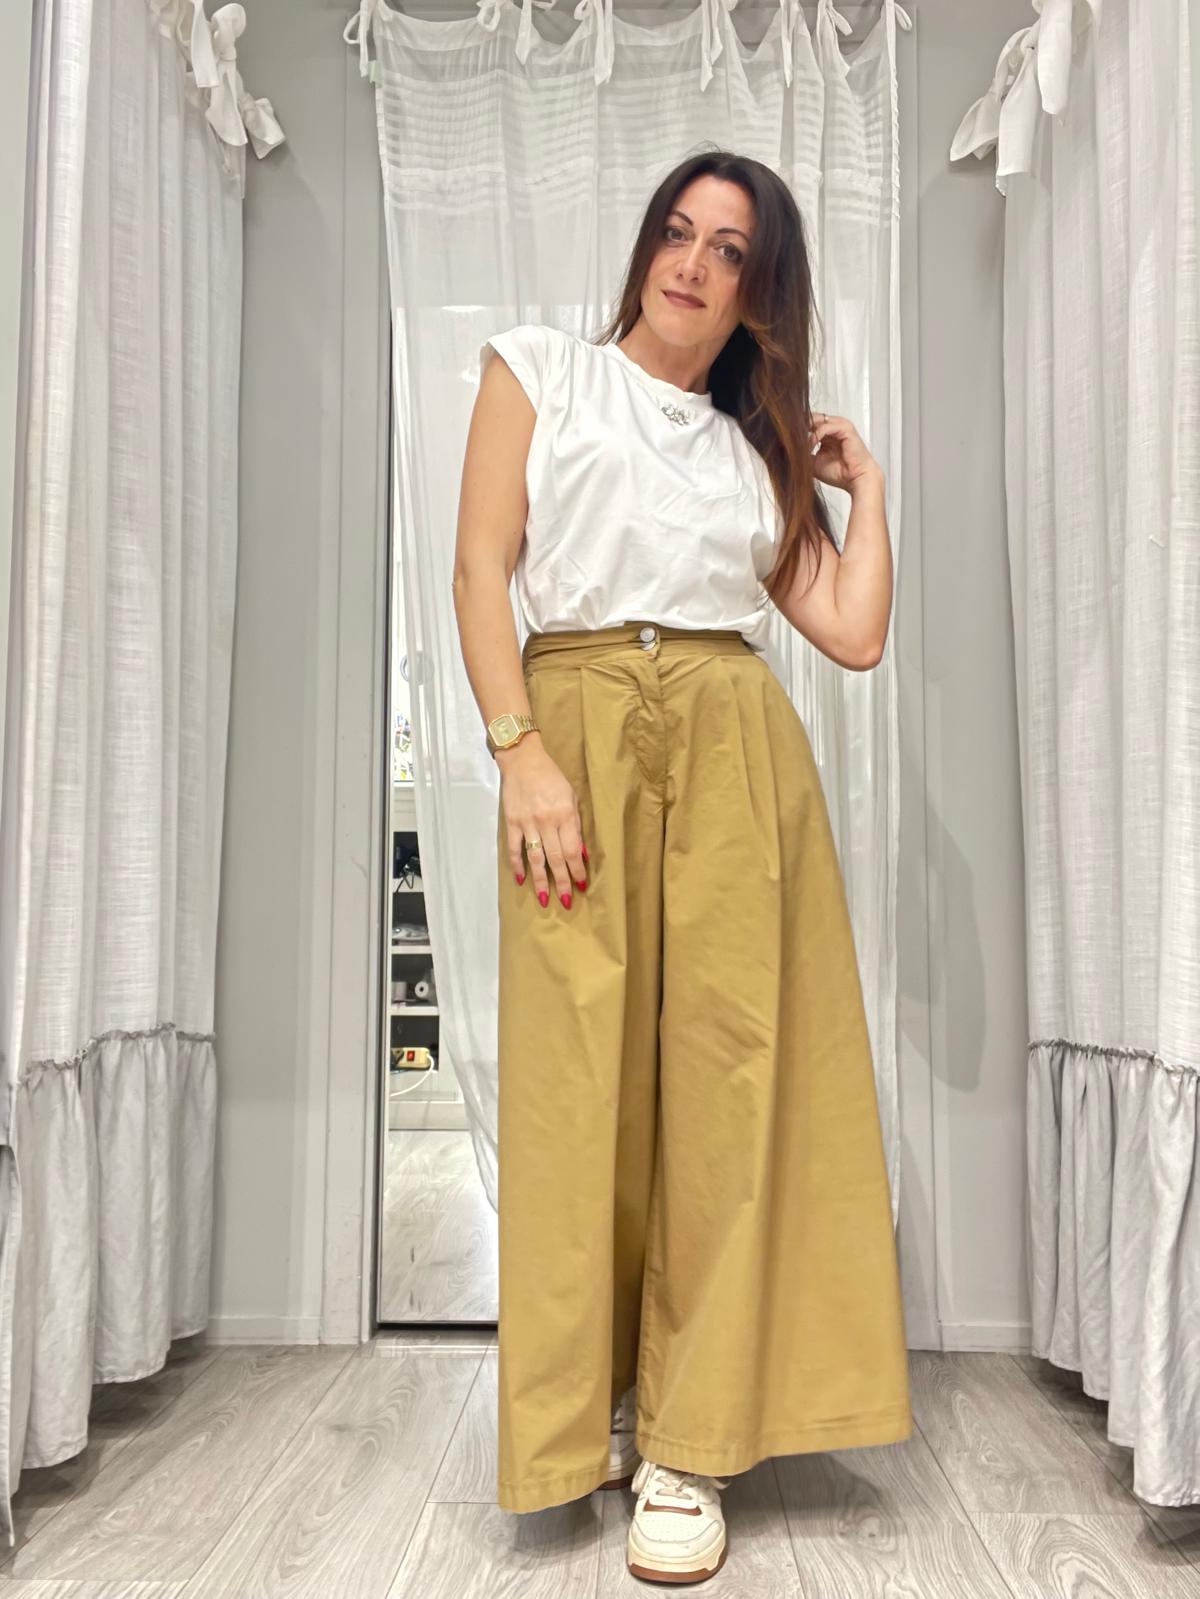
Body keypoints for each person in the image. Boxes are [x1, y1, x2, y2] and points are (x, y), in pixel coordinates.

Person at [452, 150, 910, 1586]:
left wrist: (864, 486)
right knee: (576, 1083)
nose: (692, 263)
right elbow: (479, 570)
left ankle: (688, 1445)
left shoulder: (750, 456)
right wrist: (521, 753)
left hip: (732, 740)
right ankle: (581, 1409)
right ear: (648, 244)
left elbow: (852, 632)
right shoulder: (540, 372)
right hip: (574, 721)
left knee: (726, 1085)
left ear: (759, 292)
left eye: (728, 249)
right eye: (678, 230)